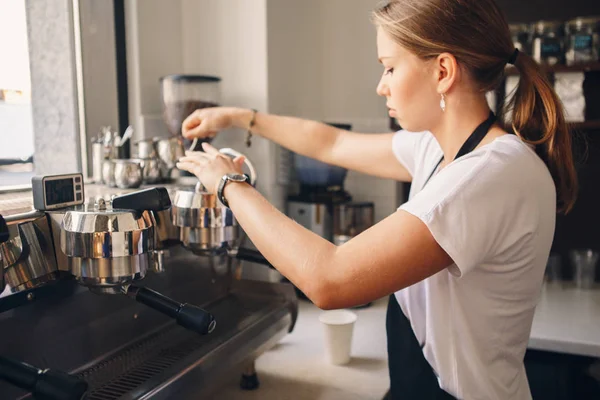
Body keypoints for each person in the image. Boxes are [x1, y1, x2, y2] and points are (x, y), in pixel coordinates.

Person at [176, 0, 577, 398]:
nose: (380, 85)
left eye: (389, 67)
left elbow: (329, 279)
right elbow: (332, 142)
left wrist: (230, 184)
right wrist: (239, 117)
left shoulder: (489, 176)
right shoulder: (439, 149)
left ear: (443, 71)